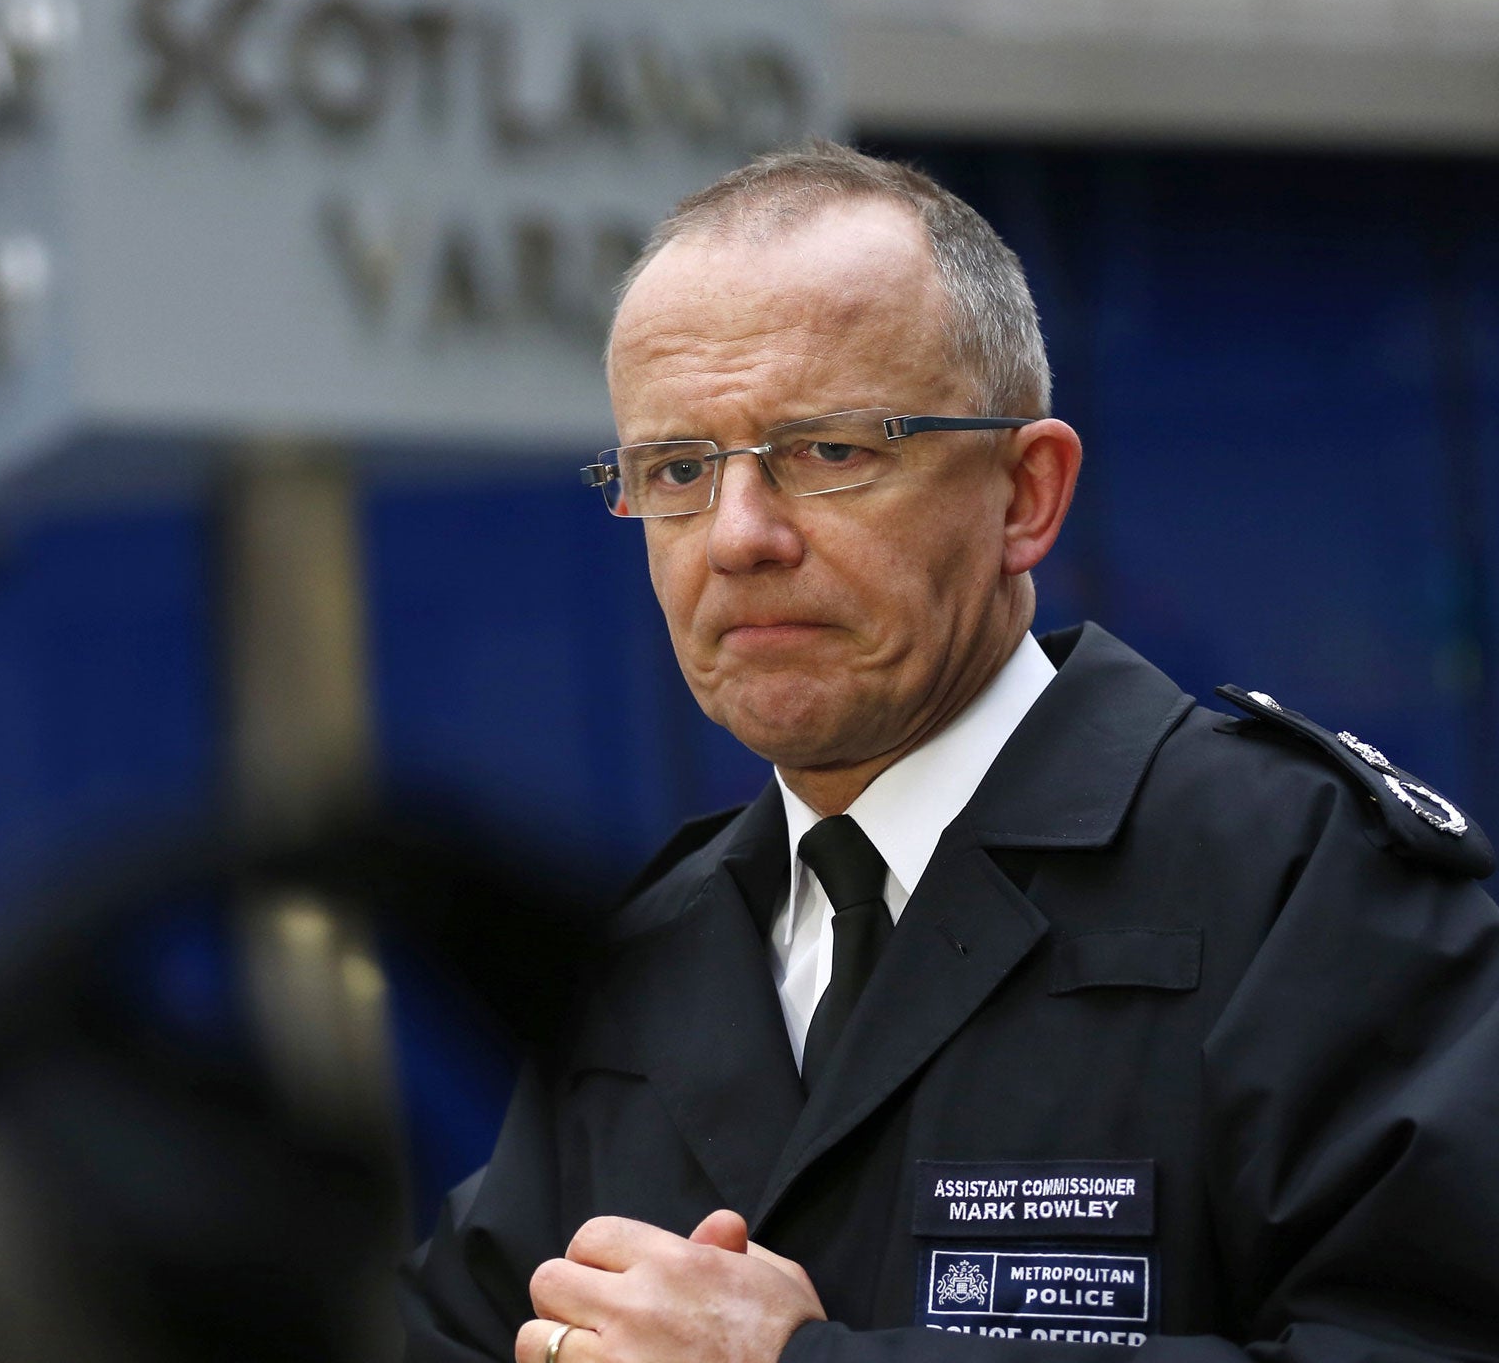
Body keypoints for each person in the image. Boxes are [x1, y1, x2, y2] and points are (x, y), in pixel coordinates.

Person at [397, 139, 1499, 1363]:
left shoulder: (1299, 884)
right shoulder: (643, 960)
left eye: (826, 451)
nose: (736, 536)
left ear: (1023, 495)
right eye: (675, 469)